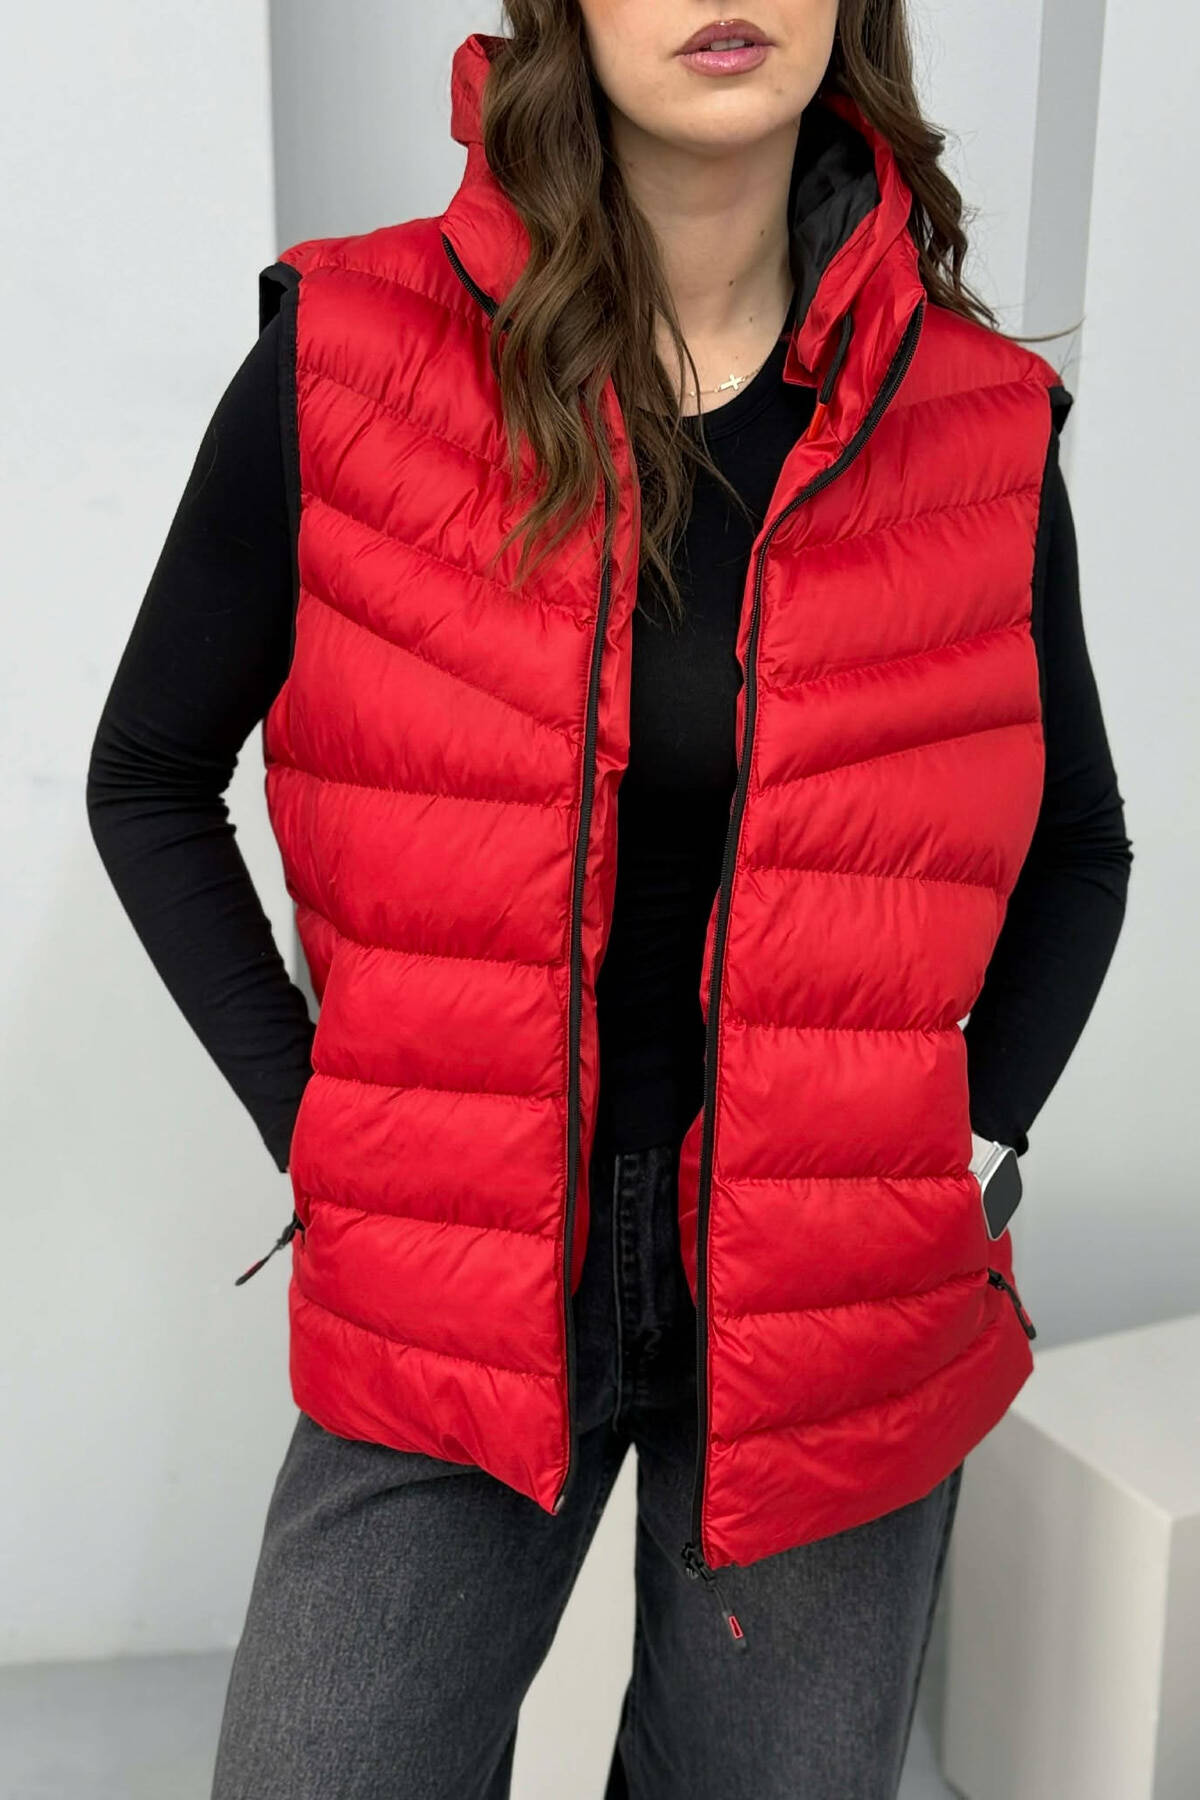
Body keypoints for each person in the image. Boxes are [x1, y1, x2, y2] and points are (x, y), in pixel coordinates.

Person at [86, 9, 1133, 1797]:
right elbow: (148, 776)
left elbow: (1081, 845)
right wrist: (320, 1119)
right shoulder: (352, 350)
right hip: (461, 1266)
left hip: (836, 1298)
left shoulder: (971, 418)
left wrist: (961, 1148)